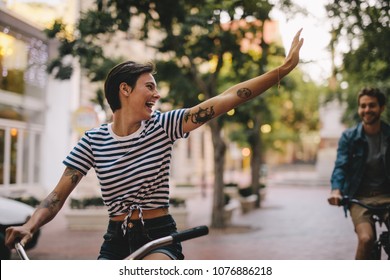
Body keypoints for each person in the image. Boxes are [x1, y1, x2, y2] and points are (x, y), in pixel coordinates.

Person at [6, 29, 304, 260]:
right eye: (149, 87)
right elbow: (57, 197)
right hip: (116, 239)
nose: (157, 94)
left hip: (158, 235)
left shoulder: (164, 126)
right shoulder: (92, 141)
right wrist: (31, 224)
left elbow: (226, 98)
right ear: (125, 90)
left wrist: (283, 69)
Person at [328, 87, 390, 259]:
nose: (367, 110)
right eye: (363, 106)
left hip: (387, 196)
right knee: (366, 238)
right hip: (360, 198)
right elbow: (341, 166)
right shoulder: (349, 137)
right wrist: (336, 190)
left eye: (372, 105)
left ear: (382, 107)